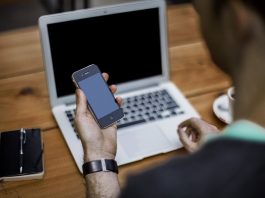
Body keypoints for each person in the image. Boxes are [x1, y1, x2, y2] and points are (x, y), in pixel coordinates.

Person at [75, 0, 265, 197]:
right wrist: (222, 150)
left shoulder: (160, 188)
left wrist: (99, 155)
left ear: (234, 21)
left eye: (199, 12)